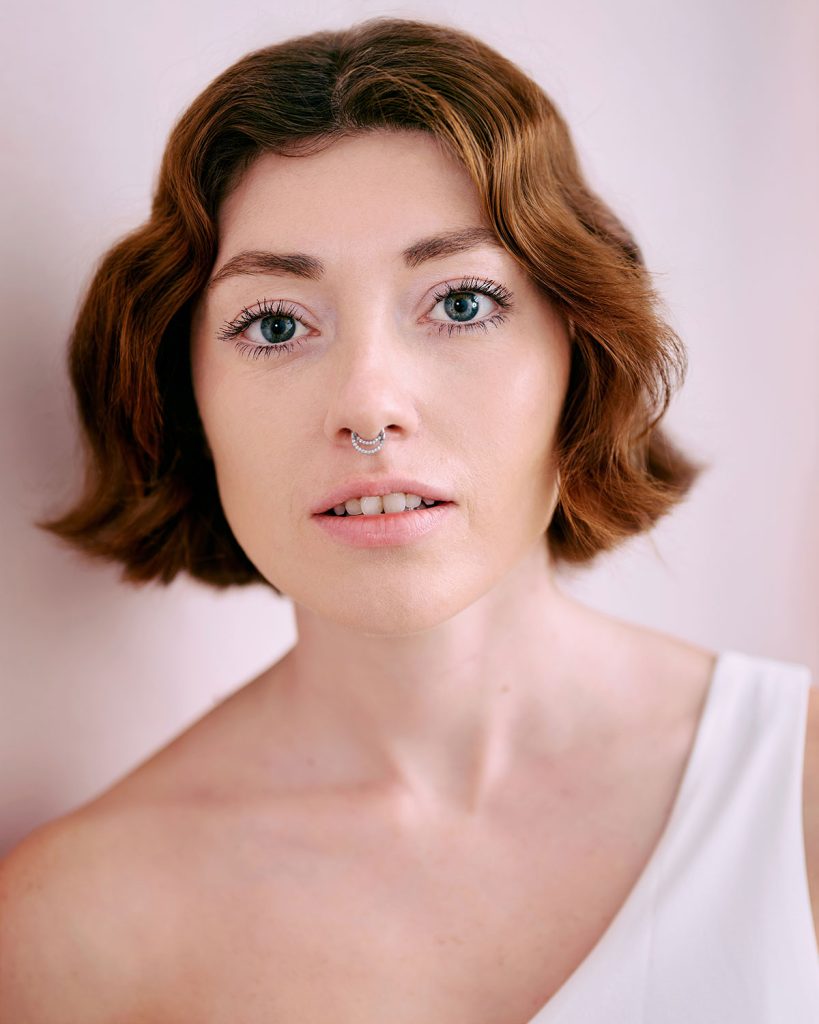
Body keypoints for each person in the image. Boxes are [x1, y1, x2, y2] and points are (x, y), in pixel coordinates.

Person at [1, 15, 817, 1022]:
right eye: (274, 323)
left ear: (581, 351)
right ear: (185, 393)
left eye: (462, 303)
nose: (369, 402)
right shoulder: (73, 927)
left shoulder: (798, 789)